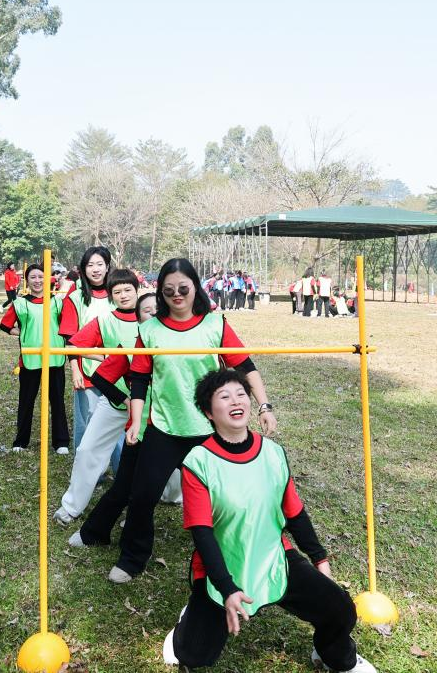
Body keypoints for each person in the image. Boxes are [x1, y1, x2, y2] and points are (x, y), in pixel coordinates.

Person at [70, 257, 277, 584]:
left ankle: (236, 555)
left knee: (228, 497)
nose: (177, 295)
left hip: (210, 429)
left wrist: (264, 406)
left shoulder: (215, 324)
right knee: (142, 496)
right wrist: (136, 420)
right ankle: (133, 558)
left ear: (196, 287)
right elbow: (139, 379)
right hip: (164, 428)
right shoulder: (149, 330)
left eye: (183, 288)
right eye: (169, 291)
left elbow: (245, 367)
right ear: (161, 293)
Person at [162, 368, 375, 673]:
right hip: (222, 569)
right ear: (209, 412)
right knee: (193, 656)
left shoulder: (273, 453)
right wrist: (226, 589)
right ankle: (188, 623)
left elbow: (295, 513)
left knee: (340, 608)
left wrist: (320, 559)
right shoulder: (198, 461)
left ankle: (335, 657)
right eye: (224, 397)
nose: (236, 401)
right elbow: (202, 533)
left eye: (240, 394)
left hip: (275, 558)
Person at [53, 269, 142, 524]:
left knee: (152, 457)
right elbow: (73, 346)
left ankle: (170, 496)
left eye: (127, 290)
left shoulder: (151, 317)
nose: (123, 295)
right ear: (111, 297)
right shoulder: (105, 321)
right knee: (88, 449)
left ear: (137, 290)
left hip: (149, 403)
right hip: (116, 400)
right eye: (117, 292)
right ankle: (71, 507)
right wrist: (109, 357)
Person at [0, 263, 70, 453]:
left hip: (54, 360)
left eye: (41, 277)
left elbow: (67, 326)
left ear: (48, 279)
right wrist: (22, 333)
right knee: (26, 401)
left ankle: (61, 442)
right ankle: (21, 441)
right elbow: (5, 326)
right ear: (27, 281)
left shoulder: (58, 302)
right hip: (30, 361)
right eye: (33, 277)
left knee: (57, 401)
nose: (37, 281)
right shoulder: (20, 303)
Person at [59, 246, 114, 452]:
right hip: (87, 369)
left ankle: (116, 468)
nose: (96, 269)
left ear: (108, 266)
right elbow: (69, 336)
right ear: (83, 269)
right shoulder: (75, 297)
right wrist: (75, 370)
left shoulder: (117, 293)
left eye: (100, 264)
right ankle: (85, 467)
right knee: (87, 418)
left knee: (117, 419)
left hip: (117, 370)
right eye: (90, 265)